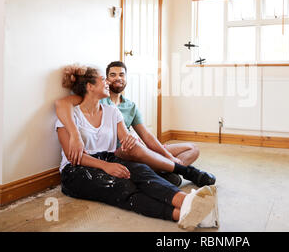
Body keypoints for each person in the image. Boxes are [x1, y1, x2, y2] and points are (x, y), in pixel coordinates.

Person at [55, 64, 217, 229]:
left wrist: (131, 140)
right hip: (76, 169)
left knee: (141, 171)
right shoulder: (70, 116)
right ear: (89, 86)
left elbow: (126, 138)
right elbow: (73, 157)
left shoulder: (112, 112)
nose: (107, 82)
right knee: (124, 186)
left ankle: (189, 201)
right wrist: (106, 166)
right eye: (103, 79)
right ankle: (182, 214)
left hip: (109, 158)